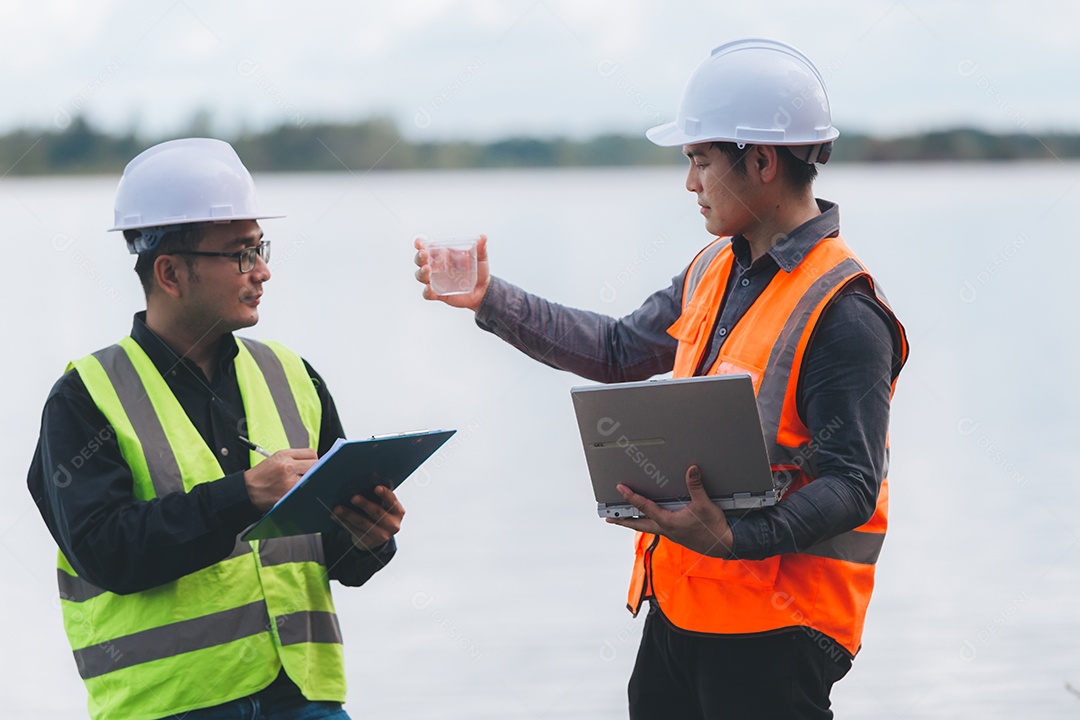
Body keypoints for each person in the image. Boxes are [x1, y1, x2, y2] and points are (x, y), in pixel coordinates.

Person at [414, 39, 909, 719]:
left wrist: (737, 539)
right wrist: (491, 298)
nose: (689, 183)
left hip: (777, 636)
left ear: (761, 161)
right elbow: (618, 350)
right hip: (681, 614)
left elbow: (850, 485)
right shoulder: (714, 269)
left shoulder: (846, 312)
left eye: (700, 161)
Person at [28, 138, 404, 720]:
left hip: (306, 700)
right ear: (171, 272)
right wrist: (245, 493)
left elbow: (336, 559)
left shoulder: (292, 375)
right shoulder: (83, 398)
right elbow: (107, 554)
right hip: (168, 708)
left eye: (260, 248)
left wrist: (370, 538)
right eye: (242, 253)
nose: (263, 271)